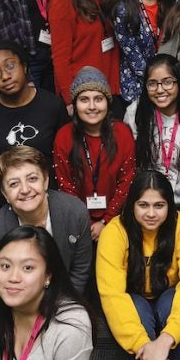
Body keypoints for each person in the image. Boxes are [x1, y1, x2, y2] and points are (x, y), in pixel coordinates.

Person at [97, 170, 180, 360]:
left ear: (170, 206)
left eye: (159, 205)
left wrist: (166, 339)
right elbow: (113, 297)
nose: (151, 213)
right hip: (134, 301)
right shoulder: (114, 232)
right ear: (131, 205)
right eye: (143, 205)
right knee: (134, 307)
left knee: (173, 302)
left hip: (168, 296)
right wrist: (146, 348)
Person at [0, 226, 99, 360]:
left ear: (48, 275)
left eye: (27, 268)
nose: (13, 278)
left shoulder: (71, 325)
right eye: (5, 266)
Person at [0, 146, 92, 294]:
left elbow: (80, 270)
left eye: (32, 179)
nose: (25, 189)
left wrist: (64, 308)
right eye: (14, 184)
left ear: (45, 181)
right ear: (5, 194)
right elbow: (6, 282)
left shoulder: (74, 212)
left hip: (68, 297)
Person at [54, 67, 135, 242]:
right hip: (77, 219)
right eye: (84, 100)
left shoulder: (122, 133)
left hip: (118, 218)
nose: (91, 107)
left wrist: (107, 220)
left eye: (98, 99)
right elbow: (66, 185)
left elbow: (126, 181)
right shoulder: (64, 136)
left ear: (107, 102)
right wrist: (87, 222)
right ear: (75, 105)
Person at [0, 39, 67, 183]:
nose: (5, 76)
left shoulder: (52, 105)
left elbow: (65, 155)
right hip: (7, 194)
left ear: (24, 66)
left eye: (10, 66)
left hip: (49, 191)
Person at [124, 54, 180, 210]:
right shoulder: (134, 113)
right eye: (152, 83)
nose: (160, 90)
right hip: (148, 203)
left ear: (179, 83)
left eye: (167, 82)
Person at [114, 0, 180, 103]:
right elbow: (135, 59)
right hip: (138, 87)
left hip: (174, 82)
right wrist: (158, 85)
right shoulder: (123, 8)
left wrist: (170, 83)